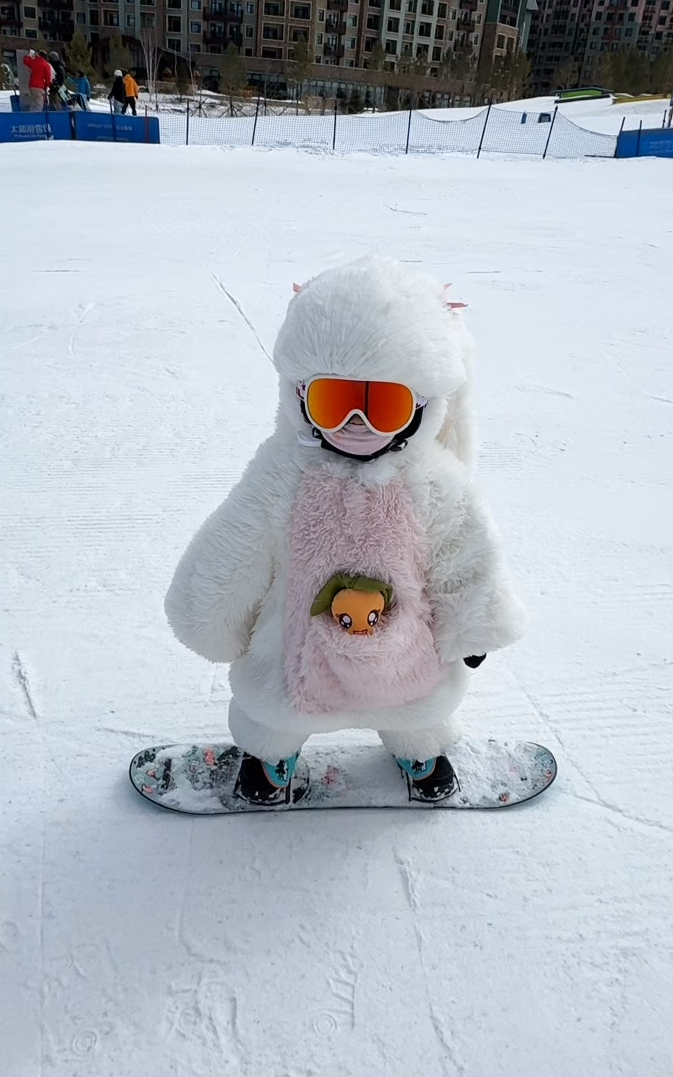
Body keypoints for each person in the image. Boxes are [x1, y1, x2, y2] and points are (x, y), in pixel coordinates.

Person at [164, 258, 526, 806]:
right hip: (294, 651)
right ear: (301, 394)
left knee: (413, 703)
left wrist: (474, 624)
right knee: (279, 706)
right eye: (335, 402)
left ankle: (418, 746)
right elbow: (236, 544)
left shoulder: (433, 482)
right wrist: (209, 615)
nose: (356, 426)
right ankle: (273, 756)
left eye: (383, 406)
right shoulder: (282, 472)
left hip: (403, 650)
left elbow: (463, 554)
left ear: (422, 405)